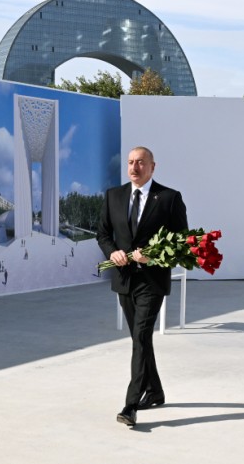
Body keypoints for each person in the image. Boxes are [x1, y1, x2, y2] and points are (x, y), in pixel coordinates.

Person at [96, 146, 188, 427]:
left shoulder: (170, 198)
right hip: (124, 280)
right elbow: (102, 233)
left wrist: (153, 255)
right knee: (141, 338)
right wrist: (112, 252)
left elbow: (182, 241)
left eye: (140, 163)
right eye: (131, 162)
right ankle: (156, 390)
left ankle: (131, 404)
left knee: (140, 336)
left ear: (152, 167)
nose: (134, 167)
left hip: (152, 281)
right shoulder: (114, 196)